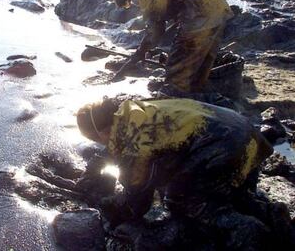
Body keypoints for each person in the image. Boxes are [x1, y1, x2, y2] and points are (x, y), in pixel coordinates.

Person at [77, 97, 276, 249]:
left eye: (97, 140)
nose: (102, 145)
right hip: (245, 133)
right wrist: (94, 167)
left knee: (182, 202)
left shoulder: (136, 142)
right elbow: (119, 145)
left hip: (224, 147)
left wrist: (113, 210)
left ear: (103, 132)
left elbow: (139, 197)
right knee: (235, 195)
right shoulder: (134, 111)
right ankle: (271, 216)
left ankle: (244, 229)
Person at [114, 0, 234, 94]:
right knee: (200, 69)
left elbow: (155, 32)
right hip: (220, 9)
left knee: (176, 71)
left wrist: (139, 53)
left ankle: (175, 101)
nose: (135, 1)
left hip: (200, 15)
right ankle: (196, 98)